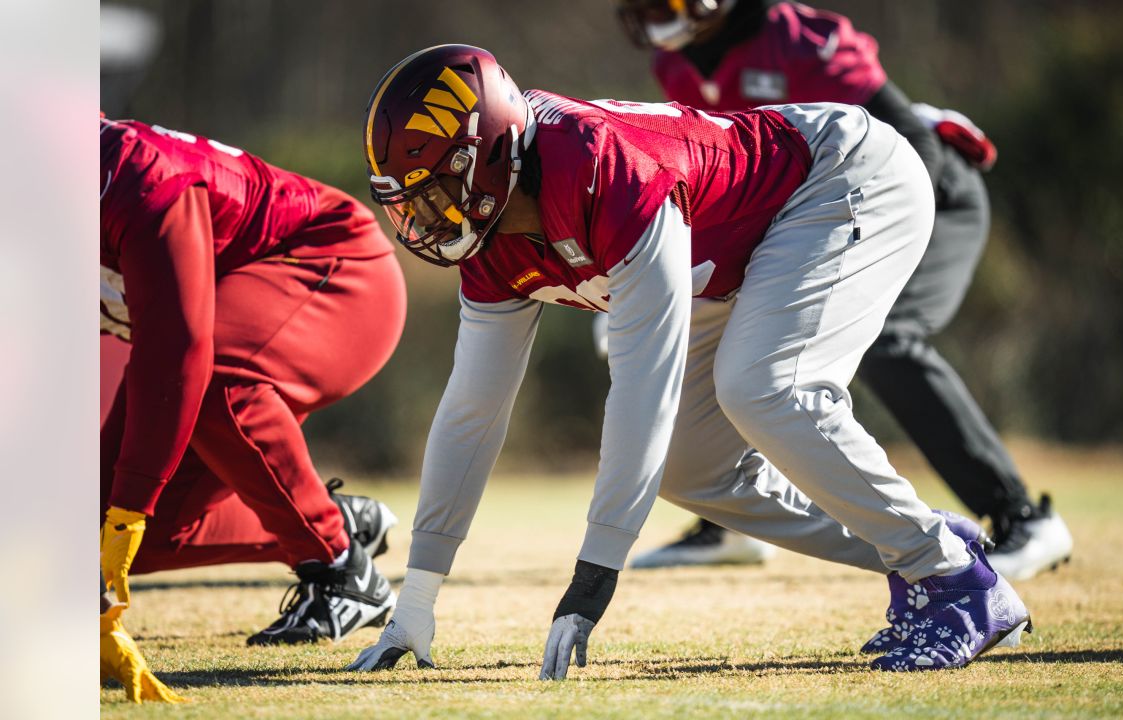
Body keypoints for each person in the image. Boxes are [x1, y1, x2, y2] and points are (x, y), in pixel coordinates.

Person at [345, 44, 1031, 677]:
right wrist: (418, 598)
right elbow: (473, 411)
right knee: (687, 466)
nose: (422, 222)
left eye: (433, 194)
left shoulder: (601, 172)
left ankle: (958, 583)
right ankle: (925, 544)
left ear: (489, 157)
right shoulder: (494, 243)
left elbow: (646, 388)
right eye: (407, 203)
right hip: (735, 251)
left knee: (766, 388)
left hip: (840, 175)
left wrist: (595, 575)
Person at [612, 0, 1072, 580]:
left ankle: (1021, 516)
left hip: (919, 189)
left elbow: (912, 142)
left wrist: (861, 254)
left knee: (889, 342)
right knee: (725, 333)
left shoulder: (800, 42)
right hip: (798, 217)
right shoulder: (674, 63)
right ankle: (729, 523)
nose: (653, 11)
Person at [99, 115, 406, 685]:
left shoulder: (129, 175)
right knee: (93, 531)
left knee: (214, 381)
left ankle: (339, 567)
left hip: (337, 272)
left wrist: (127, 507)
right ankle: (330, 521)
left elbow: (181, 353)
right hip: (214, 326)